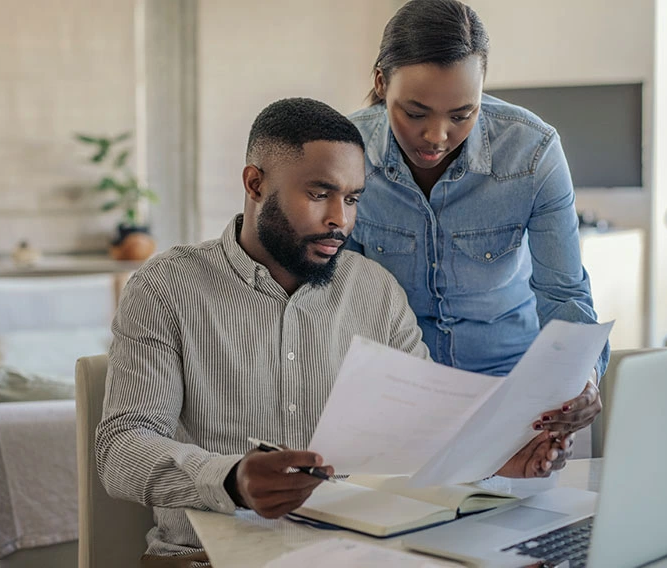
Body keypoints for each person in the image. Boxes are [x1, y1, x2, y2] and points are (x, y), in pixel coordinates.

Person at [96, 98, 570, 567]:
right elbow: (121, 448)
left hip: (360, 555)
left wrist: (497, 459)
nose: (340, 220)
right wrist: (231, 479)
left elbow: (426, 429)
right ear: (255, 183)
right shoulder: (164, 289)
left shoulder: (376, 292)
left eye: (352, 198)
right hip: (207, 558)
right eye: (320, 194)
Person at [347, 0, 608, 441]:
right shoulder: (344, 152)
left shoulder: (533, 153)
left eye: (462, 114)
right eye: (415, 113)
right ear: (380, 82)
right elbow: (333, 300)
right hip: (393, 397)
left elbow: (564, 295)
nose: (437, 136)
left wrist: (582, 378)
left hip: (511, 394)